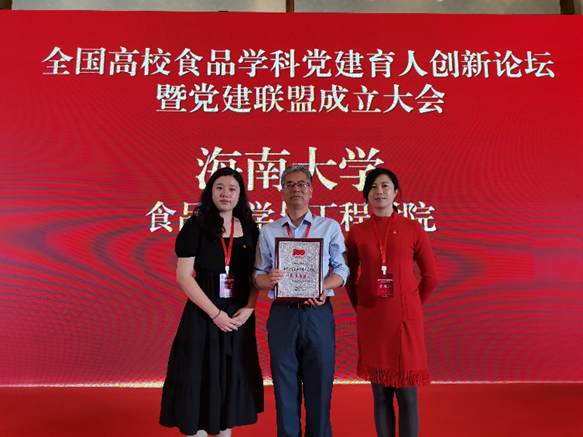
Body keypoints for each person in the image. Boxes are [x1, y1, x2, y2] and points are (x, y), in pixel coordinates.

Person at [160, 167, 264, 437]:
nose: (225, 193)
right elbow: (184, 276)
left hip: (238, 315)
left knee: (230, 380)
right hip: (203, 314)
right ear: (210, 191)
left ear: (240, 195)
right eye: (219, 187)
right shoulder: (196, 225)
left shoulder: (250, 227)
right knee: (200, 377)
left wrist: (250, 308)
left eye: (232, 189)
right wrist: (215, 314)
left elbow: (256, 275)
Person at [254, 164, 349, 437]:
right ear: (282, 192)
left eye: (302, 184)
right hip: (283, 315)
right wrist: (269, 279)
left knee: (320, 387)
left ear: (311, 191)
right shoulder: (269, 231)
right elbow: (257, 275)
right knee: (284, 388)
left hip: (318, 314)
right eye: (290, 184)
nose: (296, 189)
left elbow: (342, 270)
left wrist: (323, 286)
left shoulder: (329, 227)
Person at [345, 168, 438, 437]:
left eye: (385, 186)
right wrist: (363, 308)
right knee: (380, 395)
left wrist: (410, 304)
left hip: (406, 322)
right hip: (373, 322)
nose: (379, 192)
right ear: (366, 195)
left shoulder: (413, 228)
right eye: (373, 187)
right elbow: (348, 277)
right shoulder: (357, 232)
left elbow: (431, 278)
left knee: (407, 395)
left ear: (396, 193)